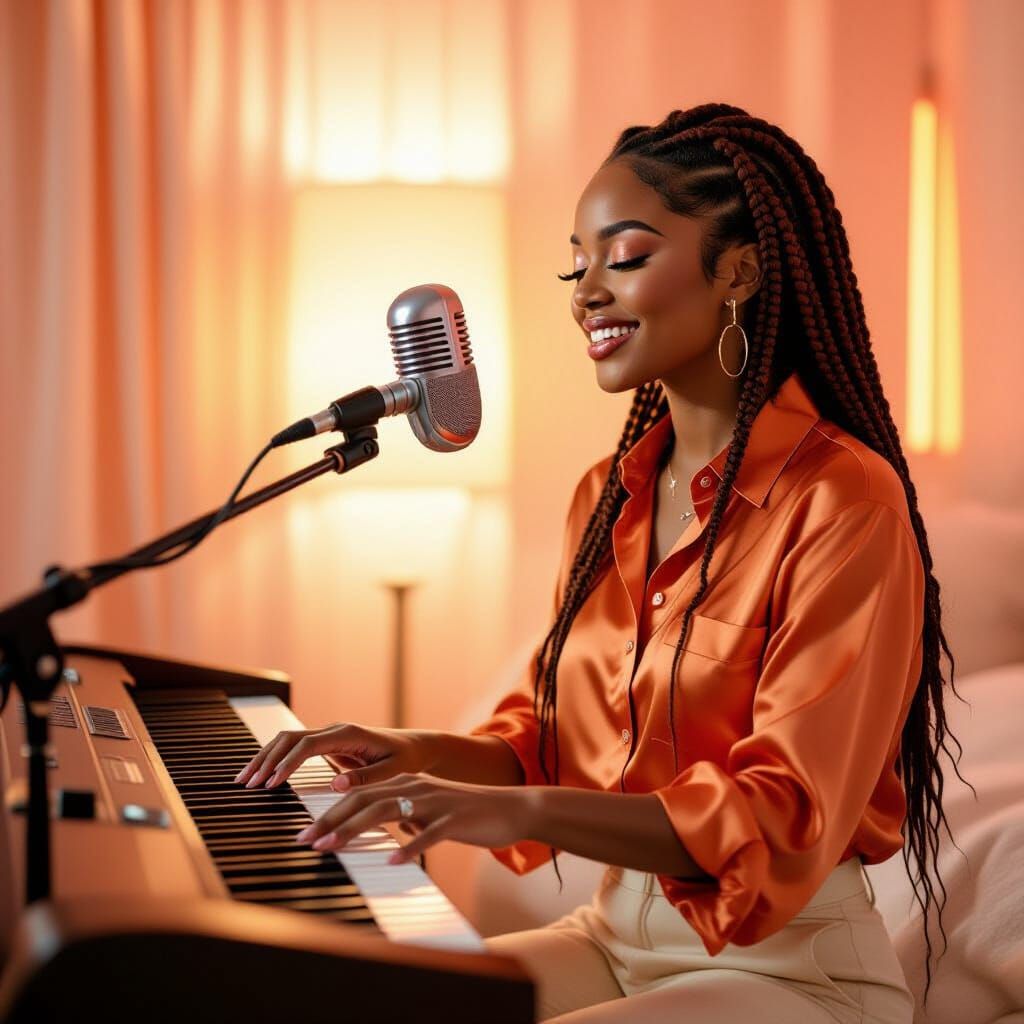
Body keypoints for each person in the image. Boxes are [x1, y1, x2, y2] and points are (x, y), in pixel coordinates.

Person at [235, 103, 967, 1023]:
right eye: (575, 264)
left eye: (623, 257)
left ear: (737, 269)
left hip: (787, 973)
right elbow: (547, 739)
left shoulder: (845, 501)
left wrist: (530, 812)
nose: (585, 291)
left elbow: (778, 815)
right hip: (612, 935)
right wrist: (403, 754)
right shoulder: (606, 496)